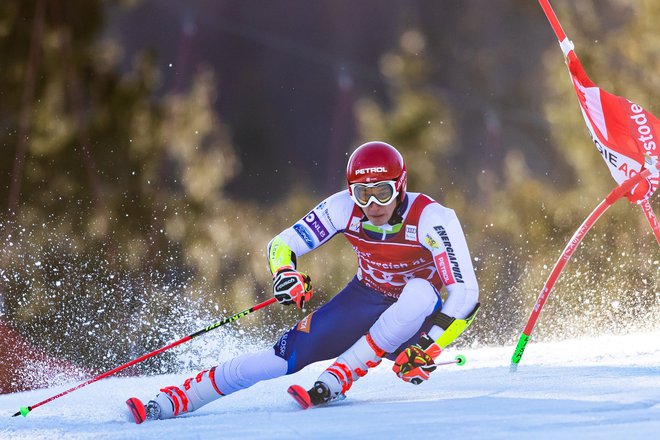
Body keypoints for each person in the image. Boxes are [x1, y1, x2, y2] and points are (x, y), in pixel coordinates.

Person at [128, 141, 479, 422]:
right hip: (364, 299)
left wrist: (428, 346)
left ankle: (340, 375)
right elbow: (283, 243)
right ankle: (178, 398)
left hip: (416, 323)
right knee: (278, 360)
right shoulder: (343, 208)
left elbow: (465, 294)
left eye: (383, 193)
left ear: (400, 186)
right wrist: (285, 272)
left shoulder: (432, 218)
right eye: (362, 194)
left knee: (418, 291)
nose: (372, 204)